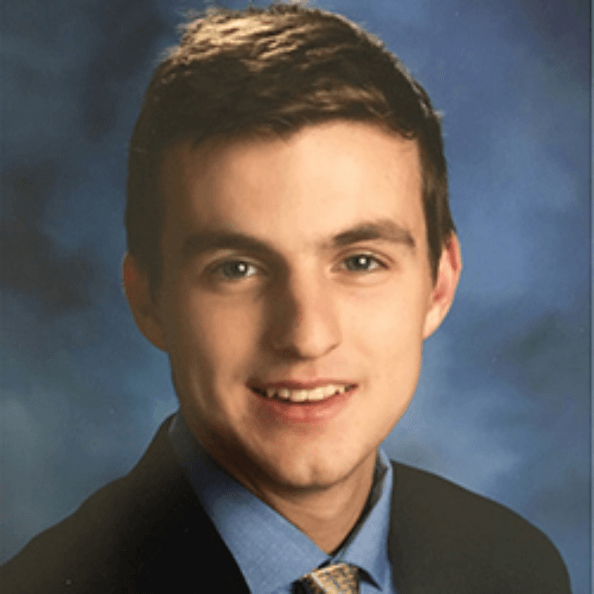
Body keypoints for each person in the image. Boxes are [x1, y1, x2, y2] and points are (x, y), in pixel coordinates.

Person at [1, 4, 571, 593]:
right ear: (148, 299)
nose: (306, 333)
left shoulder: (517, 567)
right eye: (238, 268)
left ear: (439, 283)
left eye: (359, 261)